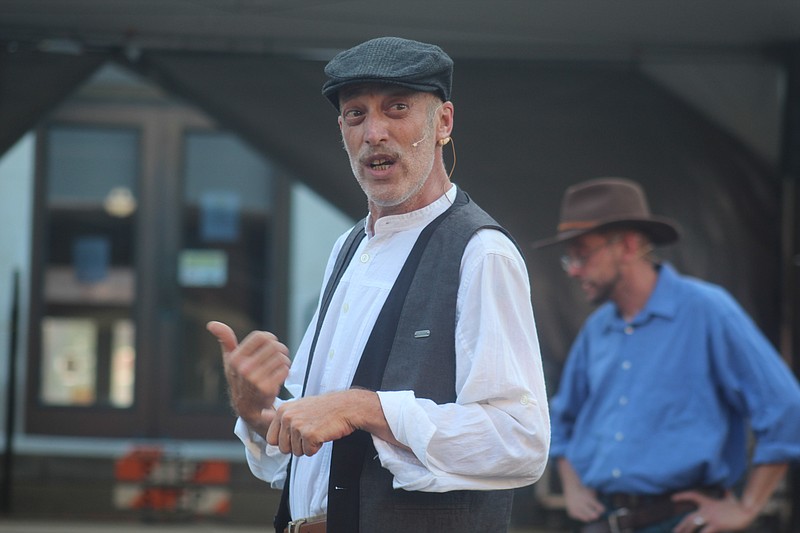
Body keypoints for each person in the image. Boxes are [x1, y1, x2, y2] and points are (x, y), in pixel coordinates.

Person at [207, 36, 550, 533]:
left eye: (398, 108)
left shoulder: (482, 253)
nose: (374, 132)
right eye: (356, 114)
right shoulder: (347, 247)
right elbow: (305, 435)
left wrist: (361, 407)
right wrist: (256, 409)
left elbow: (520, 440)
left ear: (444, 123)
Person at [532, 177, 800, 533]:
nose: (574, 269)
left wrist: (747, 507)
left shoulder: (708, 310)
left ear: (628, 246)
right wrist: (572, 484)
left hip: (682, 522)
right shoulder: (597, 329)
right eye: (570, 258)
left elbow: (784, 406)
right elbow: (559, 420)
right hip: (603, 521)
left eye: (582, 253)